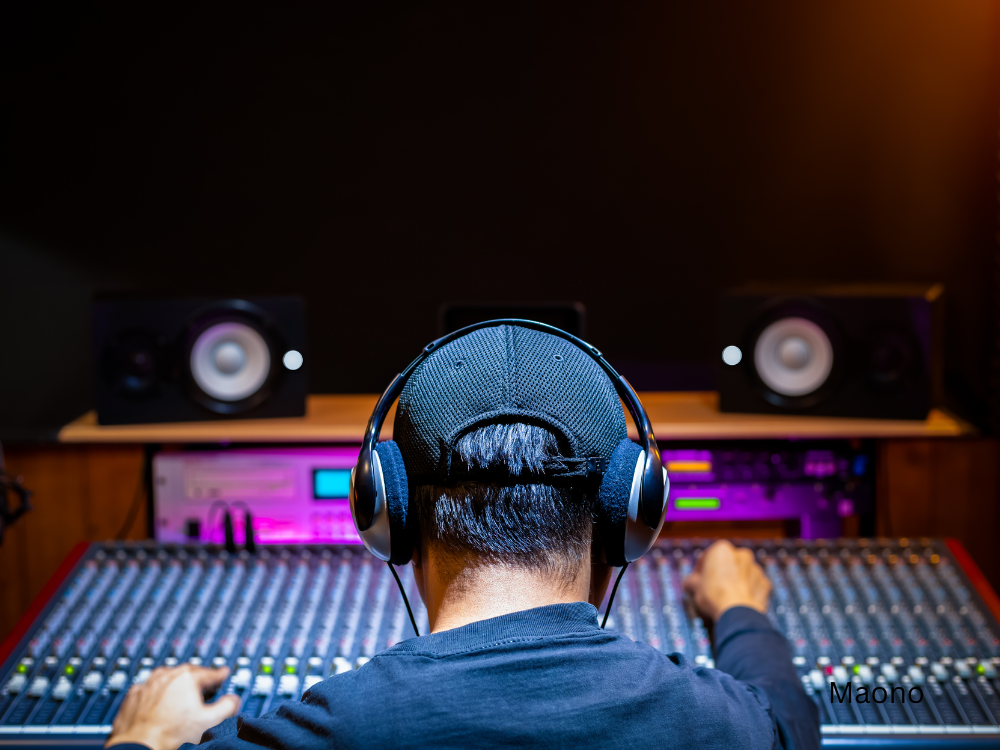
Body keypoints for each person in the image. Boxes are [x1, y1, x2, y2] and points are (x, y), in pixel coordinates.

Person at [107, 324, 820, 750]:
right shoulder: (716, 726)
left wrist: (139, 737)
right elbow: (791, 723)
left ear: (391, 518)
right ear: (624, 520)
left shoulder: (323, 733)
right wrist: (740, 609)